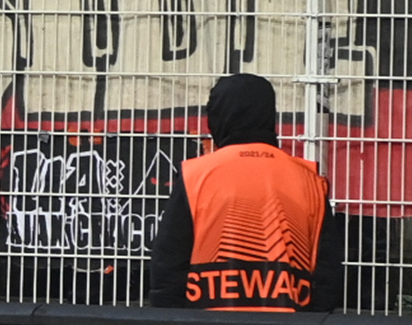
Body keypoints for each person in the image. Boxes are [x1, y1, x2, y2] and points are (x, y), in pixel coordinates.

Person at [144, 71, 341, 312]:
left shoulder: (196, 175)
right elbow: (327, 277)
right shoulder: (309, 179)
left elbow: (168, 266)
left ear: (217, 116)